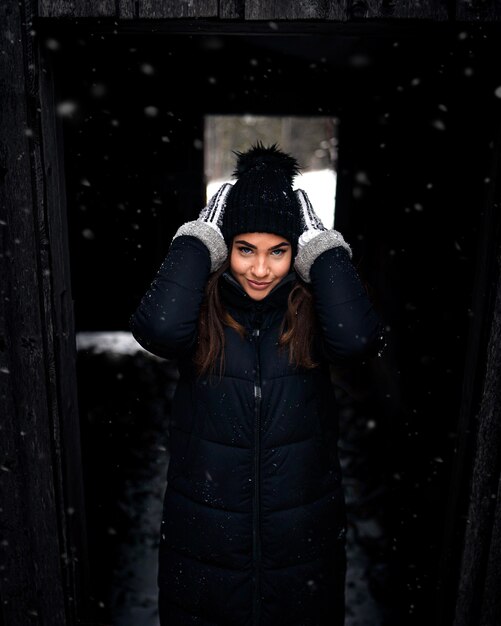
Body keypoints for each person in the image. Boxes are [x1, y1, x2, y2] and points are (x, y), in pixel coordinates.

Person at [129, 143, 385, 626]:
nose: (261, 270)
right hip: (205, 549)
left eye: (280, 251)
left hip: (300, 551)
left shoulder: (314, 314)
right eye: (245, 249)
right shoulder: (202, 313)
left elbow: (357, 340)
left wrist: (320, 242)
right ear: (226, 249)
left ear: (298, 250)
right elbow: (157, 330)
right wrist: (202, 233)